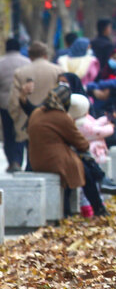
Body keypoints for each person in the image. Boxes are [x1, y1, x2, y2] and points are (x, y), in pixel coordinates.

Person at [27, 84, 108, 217]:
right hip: (54, 161)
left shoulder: (36, 112)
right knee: (86, 172)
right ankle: (98, 207)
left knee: (81, 166)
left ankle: (77, 209)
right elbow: (82, 144)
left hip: (36, 160)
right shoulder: (61, 117)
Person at [9, 42, 62, 163]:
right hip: (51, 118)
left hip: (26, 119)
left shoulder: (20, 72)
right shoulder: (58, 71)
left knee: (29, 150)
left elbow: (14, 99)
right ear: (45, 55)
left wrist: (15, 116)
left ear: (30, 56)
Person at [0, 38, 30, 171]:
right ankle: (19, 160)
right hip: (22, 104)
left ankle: (12, 161)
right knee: (21, 132)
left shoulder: (1, 63)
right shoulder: (27, 63)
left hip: (4, 104)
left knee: (8, 132)